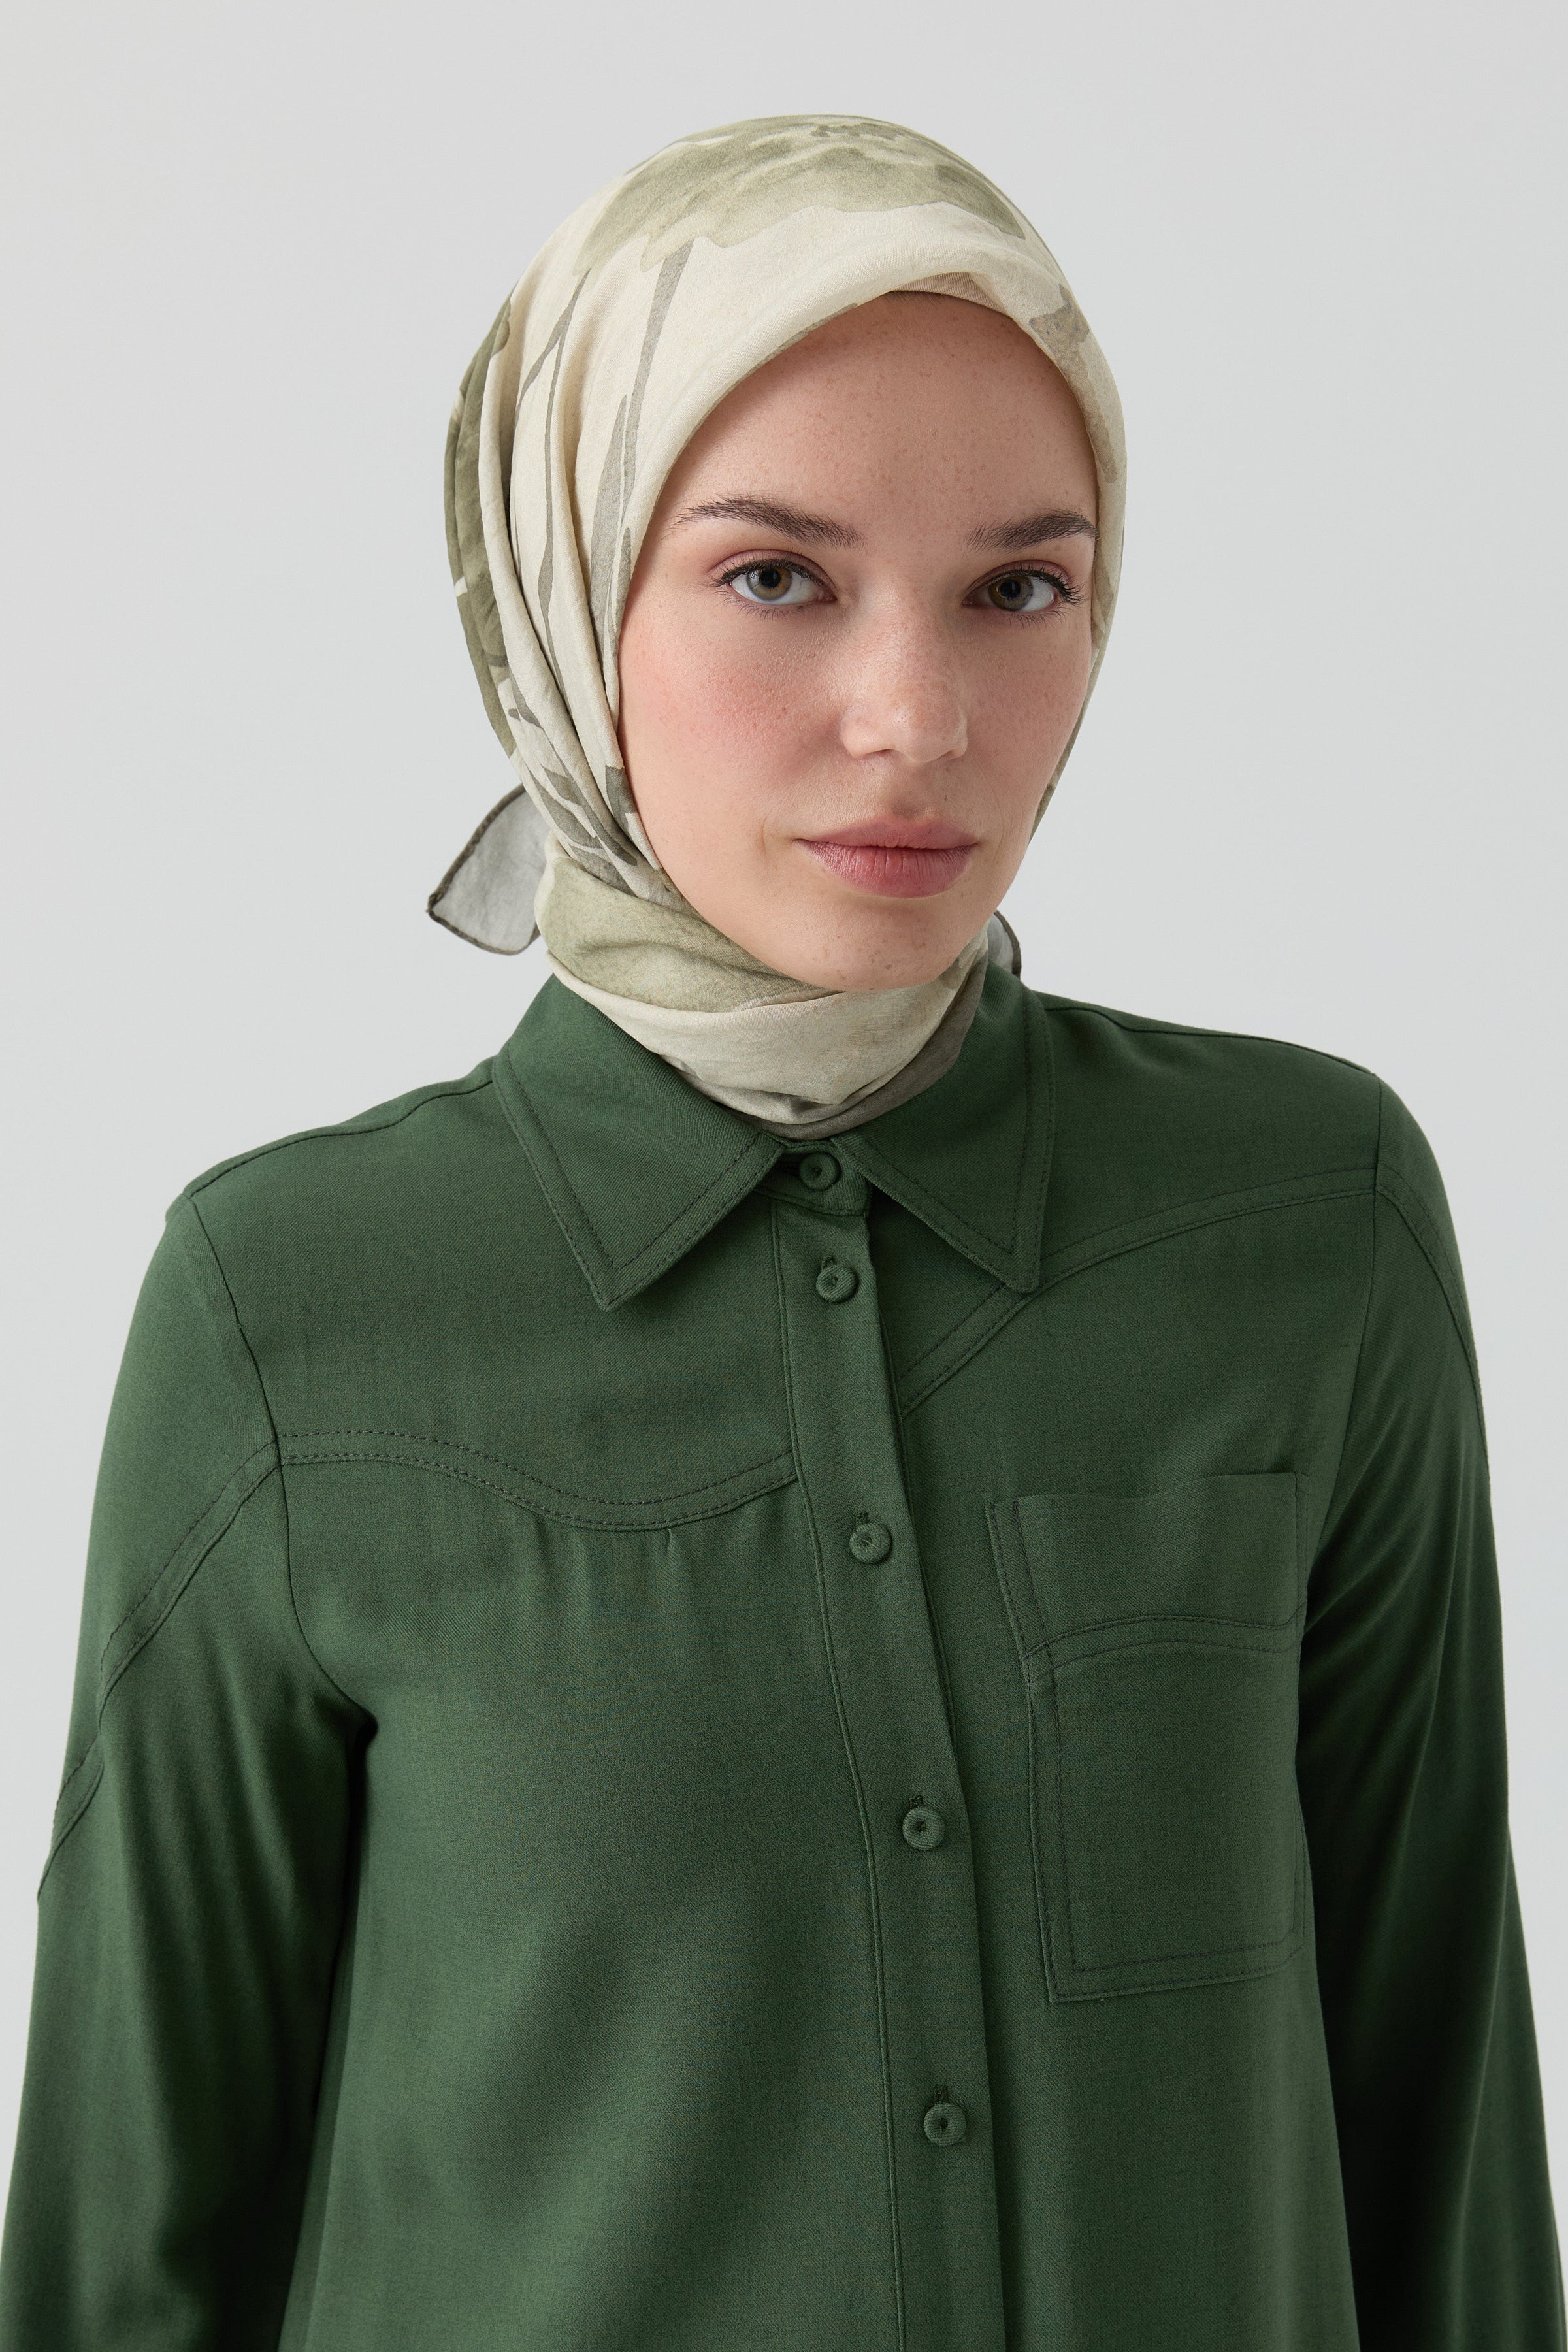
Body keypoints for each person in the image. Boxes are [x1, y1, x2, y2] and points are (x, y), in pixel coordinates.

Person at [0, 112, 1561, 2352]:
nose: (919, 721)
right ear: (569, 601)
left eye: (1018, 589)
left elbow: (1445, 2132)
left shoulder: (1312, 1226)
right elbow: (126, 2259)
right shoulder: (289, 1308)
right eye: (774, 578)